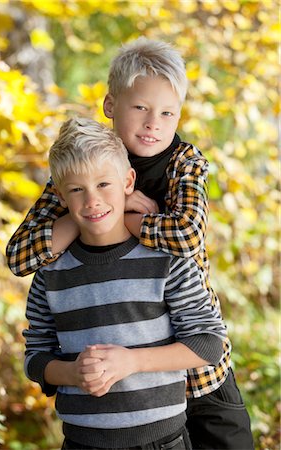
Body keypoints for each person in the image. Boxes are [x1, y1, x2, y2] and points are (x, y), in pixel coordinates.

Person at [8, 38, 254, 449]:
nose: (153, 122)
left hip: (193, 359)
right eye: (140, 108)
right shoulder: (87, 165)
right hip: (123, 375)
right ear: (110, 107)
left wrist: (129, 218)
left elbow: (188, 235)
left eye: (167, 112)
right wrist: (106, 209)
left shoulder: (184, 163)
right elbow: (19, 256)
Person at [23, 117, 227, 450]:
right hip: (81, 442)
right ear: (60, 196)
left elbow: (208, 343)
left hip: (163, 441)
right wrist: (72, 373)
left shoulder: (165, 259)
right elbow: (35, 357)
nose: (92, 200)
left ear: (128, 181)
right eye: (77, 189)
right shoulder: (51, 273)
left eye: (104, 184)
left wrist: (132, 362)